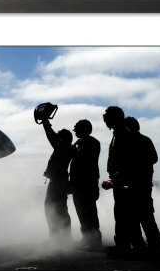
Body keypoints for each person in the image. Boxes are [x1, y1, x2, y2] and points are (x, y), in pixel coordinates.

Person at [102, 107, 146, 254]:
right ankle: (127, 245)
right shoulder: (118, 134)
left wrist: (116, 180)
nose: (104, 119)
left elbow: (127, 163)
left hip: (125, 184)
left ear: (115, 118)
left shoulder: (124, 135)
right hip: (121, 182)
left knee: (126, 216)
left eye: (107, 116)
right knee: (123, 215)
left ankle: (127, 246)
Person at [124, 116, 160, 252]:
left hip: (139, 184)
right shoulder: (144, 140)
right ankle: (145, 244)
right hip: (140, 184)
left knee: (143, 215)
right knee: (139, 216)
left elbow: (153, 159)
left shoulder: (139, 141)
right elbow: (154, 158)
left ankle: (151, 244)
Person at [69, 119, 102, 249]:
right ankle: (87, 238)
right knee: (82, 212)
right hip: (78, 184)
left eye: (77, 128)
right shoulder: (79, 143)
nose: (75, 131)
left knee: (89, 212)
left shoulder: (92, 143)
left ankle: (94, 240)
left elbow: (85, 161)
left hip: (87, 184)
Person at [41, 118, 74, 246]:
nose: (57, 138)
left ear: (63, 139)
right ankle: (62, 237)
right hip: (59, 182)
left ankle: (60, 238)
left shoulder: (62, 147)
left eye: (59, 137)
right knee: (58, 209)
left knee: (55, 209)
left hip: (57, 183)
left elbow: (50, 135)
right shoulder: (66, 148)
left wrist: (45, 122)